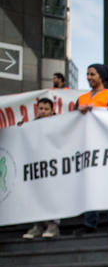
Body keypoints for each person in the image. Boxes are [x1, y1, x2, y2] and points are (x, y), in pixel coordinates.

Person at [73, 63, 108, 235]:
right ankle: (90, 221)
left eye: (92, 74)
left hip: (105, 147)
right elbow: (71, 122)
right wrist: (77, 112)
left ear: (101, 76)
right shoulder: (81, 99)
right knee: (89, 184)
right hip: (86, 147)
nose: (89, 77)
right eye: (87, 74)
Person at [21, 98, 61, 239]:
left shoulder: (58, 124)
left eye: (46, 109)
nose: (43, 112)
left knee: (51, 194)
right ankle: (37, 225)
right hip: (36, 166)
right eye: (40, 109)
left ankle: (53, 225)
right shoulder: (31, 125)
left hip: (52, 166)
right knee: (36, 194)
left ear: (52, 111)